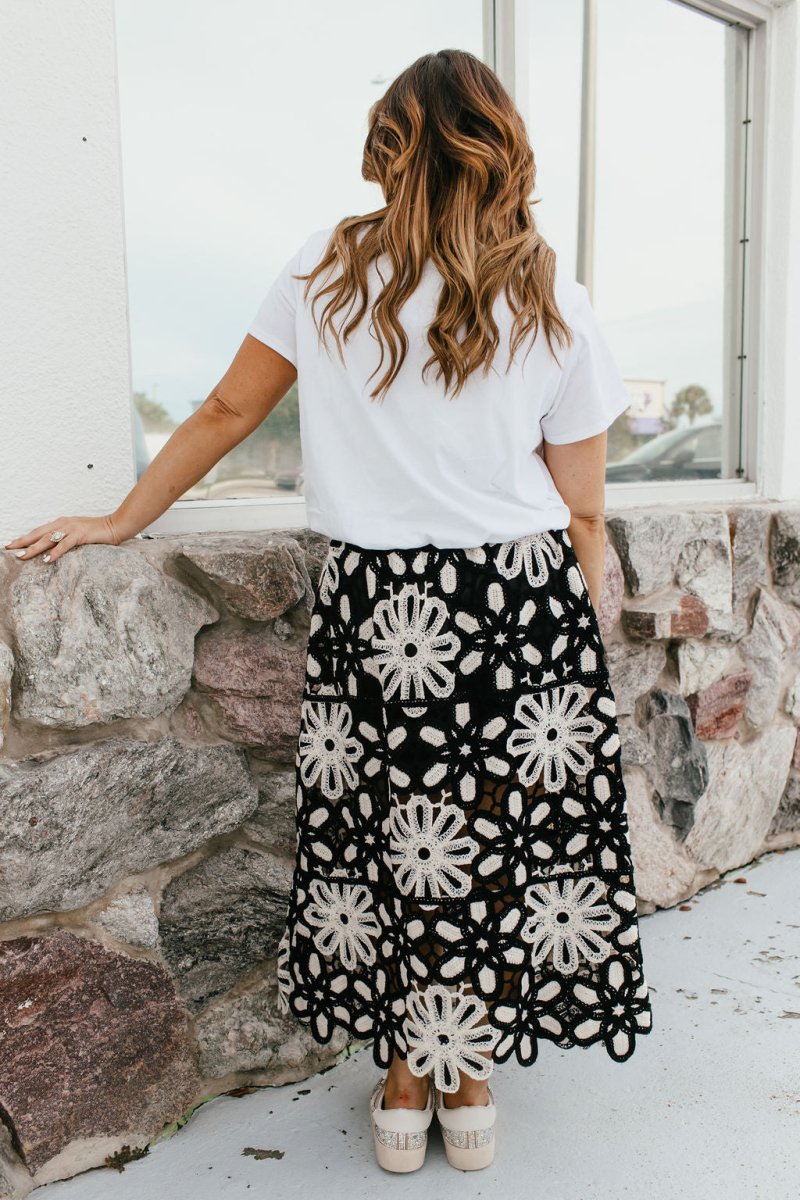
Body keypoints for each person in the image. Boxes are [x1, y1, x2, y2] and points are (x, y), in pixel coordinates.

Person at [5, 47, 652, 1175]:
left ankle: (404, 1074)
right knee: (486, 841)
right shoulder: (548, 288)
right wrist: (576, 627)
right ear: (499, 149)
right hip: (516, 603)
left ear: (391, 142)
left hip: (377, 605)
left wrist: (122, 519)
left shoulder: (326, 268)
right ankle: (465, 1075)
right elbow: (583, 507)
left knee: (385, 842)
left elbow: (223, 410)